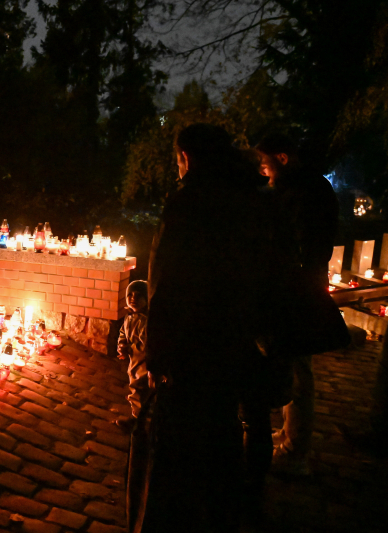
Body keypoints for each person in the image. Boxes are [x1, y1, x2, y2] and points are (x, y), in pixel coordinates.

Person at [133, 124, 266, 533]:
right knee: (220, 438)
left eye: (177, 160)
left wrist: (156, 354)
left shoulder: (189, 204)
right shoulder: (252, 199)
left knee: (177, 447)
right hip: (235, 342)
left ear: (186, 158)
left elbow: (168, 284)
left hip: (190, 348)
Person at [255, 134, 339, 476]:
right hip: (295, 286)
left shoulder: (304, 193)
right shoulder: (302, 187)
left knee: (298, 368)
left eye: (264, 162)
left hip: (297, 290)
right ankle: (290, 432)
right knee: (290, 363)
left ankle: (295, 451)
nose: (261, 170)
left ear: (283, 158)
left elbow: (302, 245)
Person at [116, 280, 150, 426]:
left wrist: (129, 348)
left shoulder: (146, 321)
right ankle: (139, 417)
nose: (133, 298)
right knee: (135, 385)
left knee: (139, 389)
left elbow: (145, 344)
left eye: (138, 295)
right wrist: (122, 344)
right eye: (130, 295)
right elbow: (123, 332)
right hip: (134, 360)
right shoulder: (129, 316)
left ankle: (138, 422)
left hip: (144, 364)